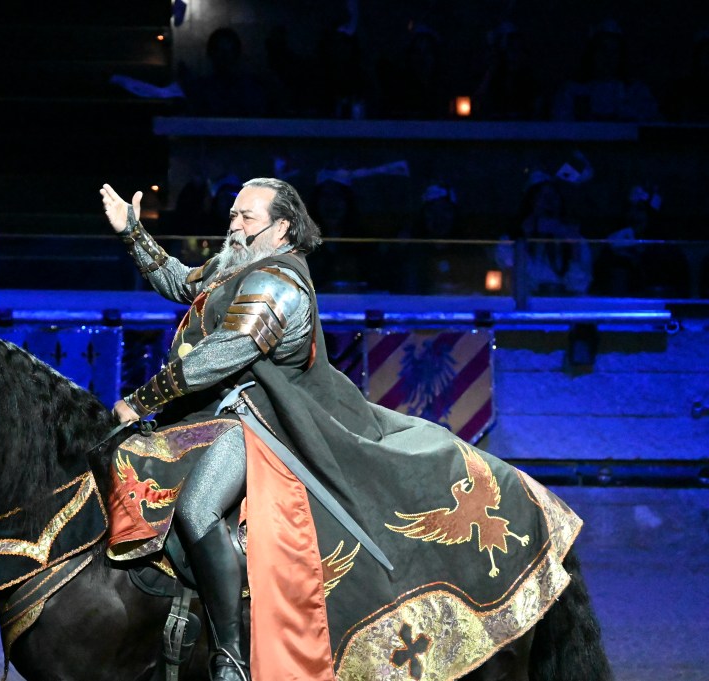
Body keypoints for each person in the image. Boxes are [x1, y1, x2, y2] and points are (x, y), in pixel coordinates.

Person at [99, 178, 589, 680]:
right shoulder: (238, 265)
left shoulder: (278, 282)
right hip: (214, 415)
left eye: (246, 217)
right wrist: (132, 232)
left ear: (281, 227)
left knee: (198, 508)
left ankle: (229, 655)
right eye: (232, 215)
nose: (234, 226)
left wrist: (141, 401)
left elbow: (226, 351)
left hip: (260, 419)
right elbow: (182, 283)